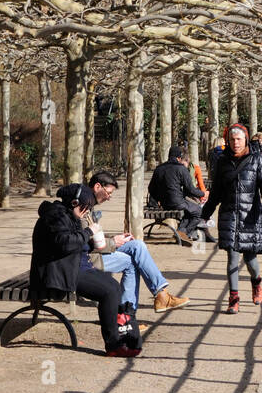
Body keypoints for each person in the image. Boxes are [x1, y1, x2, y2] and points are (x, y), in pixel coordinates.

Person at [29, 182, 139, 356]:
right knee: (109, 291)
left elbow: (73, 241)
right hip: (58, 274)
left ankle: (119, 335)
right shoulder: (54, 217)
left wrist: (102, 239)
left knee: (113, 287)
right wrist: (88, 232)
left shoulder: (65, 215)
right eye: (84, 208)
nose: (86, 212)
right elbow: (65, 243)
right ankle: (113, 345)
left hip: (70, 268)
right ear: (74, 203)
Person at [86, 171, 190, 314]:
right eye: (109, 193)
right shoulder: (82, 205)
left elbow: (91, 235)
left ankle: (161, 294)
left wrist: (117, 238)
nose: (109, 198)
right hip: (88, 258)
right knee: (131, 262)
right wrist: (113, 242)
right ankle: (127, 316)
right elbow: (85, 242)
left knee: (137, 245)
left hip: (95, 251)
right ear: (98, 187)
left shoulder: (87, 204)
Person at [202, 123, 262, 313]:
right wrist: (205, 213)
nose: (236, 143)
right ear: (228, 141)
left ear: (245, 140)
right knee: (232, 258)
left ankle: (256, 283)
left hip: (250, 215)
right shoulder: (222, 162)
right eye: (233, 140)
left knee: (250, 259)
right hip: (229, 215)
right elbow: (216, 191)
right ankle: (233, 298)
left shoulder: (257, 160)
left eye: (239, 139)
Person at [148, 145, 210, 244]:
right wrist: (203, 193)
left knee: (189, 211)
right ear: (179, 157)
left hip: (164, 203)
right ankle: (184, 233)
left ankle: (181, 232)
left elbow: (151, 188)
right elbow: (190, 190)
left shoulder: (159, 168)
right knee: (198, 211)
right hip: (177, 202)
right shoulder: (181, 168)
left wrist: (158, 200)